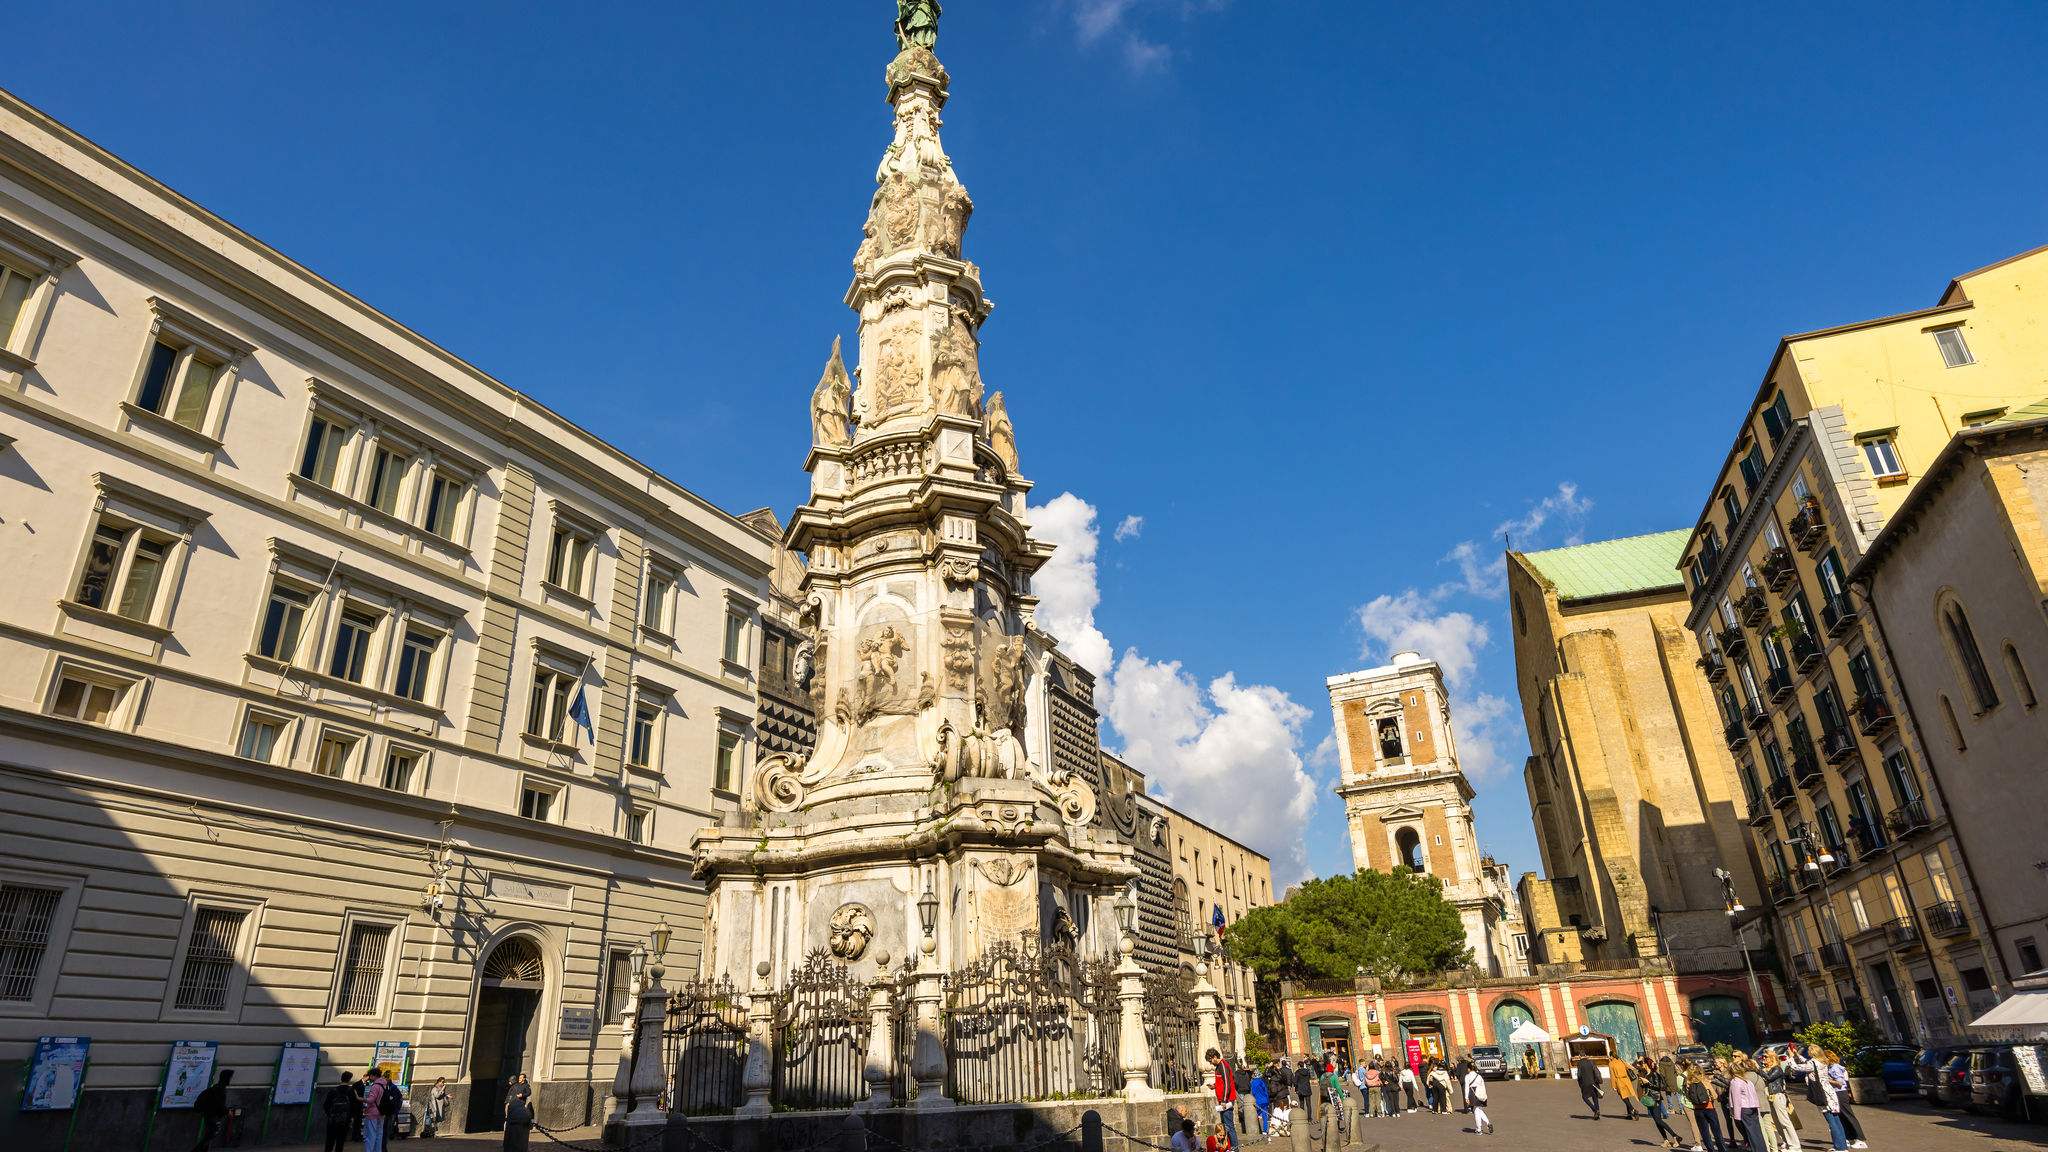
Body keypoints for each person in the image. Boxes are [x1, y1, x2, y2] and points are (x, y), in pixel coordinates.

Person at [1636, 1055, 1686, 1149]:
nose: (1642, 1065)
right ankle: (1666, 1140)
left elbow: (1659, 1087)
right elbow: (1636, 1066)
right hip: (1649, 1099)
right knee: (1656, 1121)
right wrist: (1643, 1084)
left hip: (1655, 1099)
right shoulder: (1646, 1074)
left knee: (1659, 1120)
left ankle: (1675, 1136)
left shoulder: (1654, 1074)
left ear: (1647, 1064)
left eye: (1643, 1063)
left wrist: (1648, 1083)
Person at [1684, 1063, 1728, 1152]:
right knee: (1717, 1132)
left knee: (1705, 1133)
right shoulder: (1705, 1081)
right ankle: (1722, 1149)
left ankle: (1711, 1150)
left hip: (1697, 1109)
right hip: (1709, 1108)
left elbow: (1688, 1096)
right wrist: (1710, 1099)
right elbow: (1715, 1095)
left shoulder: (1688, 1082)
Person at [1760, 1050, 1798, 1152]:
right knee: (1777, 1123)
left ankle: (1795, 1146)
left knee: (1784, 1121)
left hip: (1778, 1095)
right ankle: (1788, 1144)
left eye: (1766, 1057)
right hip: (1771, 1096)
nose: (1763, 1059)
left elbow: (1769, 1078)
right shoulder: (1768, 1069)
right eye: (1763, 1057)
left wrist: (1759, 1070)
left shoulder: (1777, 1069)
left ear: (1772, 1058)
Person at [1207, 1048, 1242, 1152]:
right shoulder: (1218, 1067)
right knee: (1224, 1126)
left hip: (1226, 1100)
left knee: (1229, 1126)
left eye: (1210, 1060)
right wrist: (1214, 1086)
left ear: (1215, 1057)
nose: (1210, 1062)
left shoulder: (1223, 1066)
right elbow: (1222, 1083)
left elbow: (1227, 1084)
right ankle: (1228, 1147)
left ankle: (1235, 1149)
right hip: (1223, 1099)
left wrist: (1224, 1100)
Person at [1729, 1057, 1765, 1152]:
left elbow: (1737, 1100)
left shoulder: (1735, 1081)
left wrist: (1737, 1117)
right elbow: (1754, 1097)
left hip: (1744, 1109)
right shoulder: (1748, 1081)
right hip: (1753, 1108)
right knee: (1757, 1132)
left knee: (1750, 1133)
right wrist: (1758, 1111)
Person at [191, 1070, 233, 1152]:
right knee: (212, 1132)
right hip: (211, 1115)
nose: (231, 1079)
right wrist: (227, 1111)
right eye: (230, 1077)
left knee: (209, 1135)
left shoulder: (218, 1088)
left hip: (210, 1114)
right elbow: (219, 1103)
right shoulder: (219, 1089)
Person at [322, 1073, 356, 1152]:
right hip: (345, 1120)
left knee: (330, 1141)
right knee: (340, 1142)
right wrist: (351, 1117)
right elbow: (353, 1105)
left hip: (332, 1120)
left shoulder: (333, 1090)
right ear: (349, 1080)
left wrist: (330, 1114)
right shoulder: (351, 1091)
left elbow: (326, 1105)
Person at [360, 1072, 388, 1152]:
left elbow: (371, 1100)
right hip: (381, 1112)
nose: (369, 1078)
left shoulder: (375, 1086)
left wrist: (360, 1099)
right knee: (379, 1134)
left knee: (370, 1135)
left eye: (370, 1076)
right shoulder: (384, 1085)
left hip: (372, 1113)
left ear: (374, 1075)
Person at [1463, 1061, 1493, 1136]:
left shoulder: (1467, 1076)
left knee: (1476, 1112)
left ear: (1469, 1069)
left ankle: (1479, 1129)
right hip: (1480, 1093)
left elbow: (1466, 1087)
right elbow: (1483, 1086)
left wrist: (1466, 1097)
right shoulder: (1479, 1076)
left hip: (1472, 1094)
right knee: (1479, 1110)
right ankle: (1487, 1123)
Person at [504, 1086, 534, 1152]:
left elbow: (528, 1092)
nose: (519, 1079)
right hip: (514, 1107)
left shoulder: (526, 1086)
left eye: (521, 1078)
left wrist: (522, 1095)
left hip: (519, 1106)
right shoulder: (517, 1085)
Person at [1575, 1054, 1605, 1120]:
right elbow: (1596, 1071)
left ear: (1580, 1056)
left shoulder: (1579, 1063)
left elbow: (1579, 1074)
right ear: (1585, 1055)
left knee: (1585, 1097)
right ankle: (1597, 1112)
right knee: (1595, 1097)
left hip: (1585, 1083)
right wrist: (1599, 1080)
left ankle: (1594, 1109)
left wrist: (1579, 1080)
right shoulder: (1591, 1062)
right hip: (1593, 1082)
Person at [1609, 1055, 1638, 1121]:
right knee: (1626, 1096)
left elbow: (1612, 1075)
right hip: (1626, 1080)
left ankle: (1633, 1110)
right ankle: (1629, 1114)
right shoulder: (1622, 1061)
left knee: (1624, 1097)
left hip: (1619, 1081)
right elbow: (1631, 1068)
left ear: (1612, 1057)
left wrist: (1614, 1086)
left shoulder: (1611, 1064)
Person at [1292, 1058, 1318, 1123]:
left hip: (1300, 1089)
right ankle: (1309, 1118)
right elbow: (1309, 1077)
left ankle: (1303, 1117)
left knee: (1301, 1103)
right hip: (1307, 1088)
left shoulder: (1297, 1072)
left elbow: (1295, 1082)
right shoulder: (1307, 1071)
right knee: (1308, 1104)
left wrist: (1296, 1086)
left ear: (1299, 1066)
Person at [1249, 1064, 1271, 1136]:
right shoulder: (1262, 1082)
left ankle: (1256, 1129)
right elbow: (1266, 1093)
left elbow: (1253, 1092)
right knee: (1265, 1116)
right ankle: (1265, 1131)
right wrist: (1267, 1101)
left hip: (1257, 1101)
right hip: (1264, 1100)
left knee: (1255, 1115)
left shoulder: (1253, 1082)